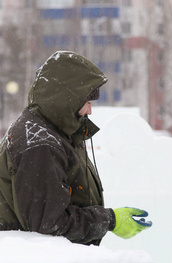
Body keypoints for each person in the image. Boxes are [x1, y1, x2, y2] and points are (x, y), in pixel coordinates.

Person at [0, 51, 152, 245]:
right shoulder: (41, 145)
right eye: (87, 103)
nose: (90, 110)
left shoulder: (55, 130)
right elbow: (50, 224)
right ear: (66, 99)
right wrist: (109, 220)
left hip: (54, 262)